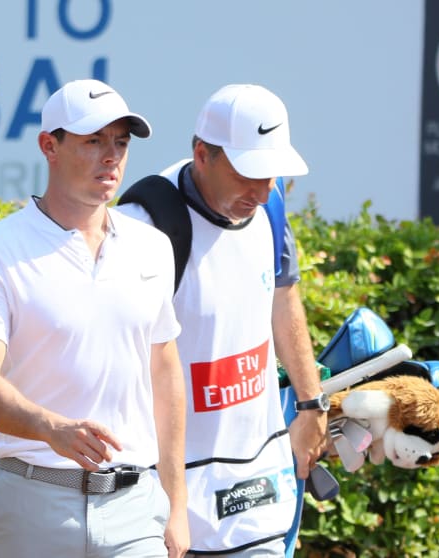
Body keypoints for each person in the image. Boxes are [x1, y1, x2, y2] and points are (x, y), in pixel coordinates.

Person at [0, 78, 190, 558]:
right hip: (27, 507)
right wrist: (50, 428)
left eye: (120, 142)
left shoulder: (153, 247)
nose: (111, 156)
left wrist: (177, 504)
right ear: (48, 146)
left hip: (135, 512)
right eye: (93, 141)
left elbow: (165, 373)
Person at [116, 84, 328, 556]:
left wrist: (312, 405)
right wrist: (168, 500)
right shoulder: (144, 223)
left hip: (261, 486)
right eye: (248, 174)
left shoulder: (268, 205)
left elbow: (283, 298)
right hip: (170, 497)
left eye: (271, 173)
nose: (262, 190)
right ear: (202, 154)